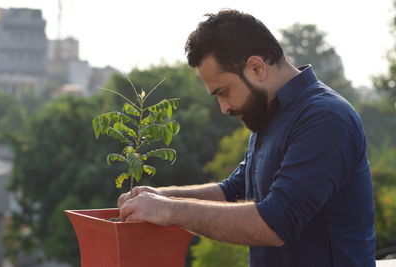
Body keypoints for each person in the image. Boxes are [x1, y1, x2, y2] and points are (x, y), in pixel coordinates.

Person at [118, 9, 376, 267]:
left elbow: (276, 222)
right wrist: (160, 197)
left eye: (224, 92)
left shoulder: (325, 118)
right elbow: (234, 191)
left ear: (256, 67)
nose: (224, 108)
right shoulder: (269, 115)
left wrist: (169, 211)